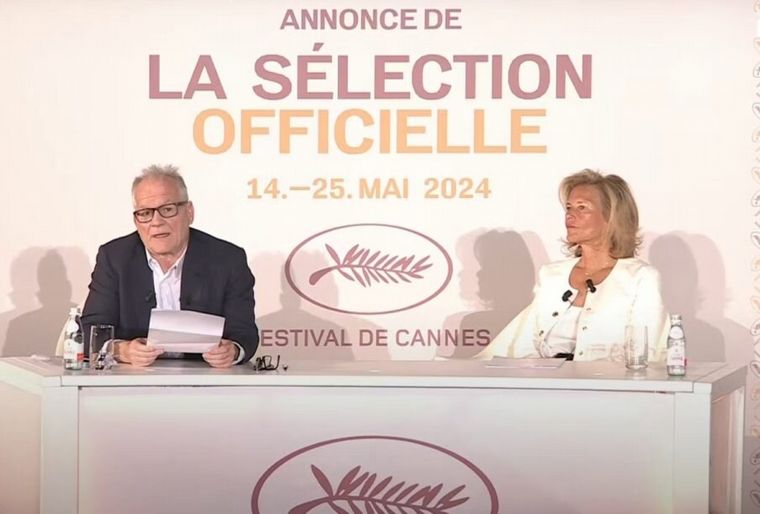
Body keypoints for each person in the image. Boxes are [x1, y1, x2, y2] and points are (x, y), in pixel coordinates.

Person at [480, 169, 668, 361]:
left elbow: (647, 354)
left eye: (582, 208)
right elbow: (526, 344)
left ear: (611, 217)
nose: (570, 215)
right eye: (568, 208)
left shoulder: (640, 277)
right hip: (548, 377)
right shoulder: (551, 275)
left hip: (609, 379)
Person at [81, 165, 258, 367]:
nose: (156, 222)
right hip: (134, 378)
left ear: (189, 212)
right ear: (136, 221)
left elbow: (245, 334)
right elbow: (90, 331)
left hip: (204, 377)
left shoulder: (227, 259)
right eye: (145, 213)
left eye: (167, 210)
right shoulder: (115, 258)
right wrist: (123, 350)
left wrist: (232, 351)